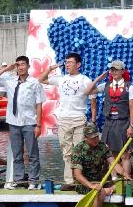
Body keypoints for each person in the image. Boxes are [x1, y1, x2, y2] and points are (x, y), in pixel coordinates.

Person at [39, 52, 93, 187]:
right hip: (63, 119)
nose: (67, 64)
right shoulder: (61, 79)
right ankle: (69, 181)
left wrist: (93, 119)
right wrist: (51, 69)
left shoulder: (85, 80)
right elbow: (41, 79)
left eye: (70, 62)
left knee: (79, 150)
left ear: (78, 64)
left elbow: (93, 101)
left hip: (79, 119)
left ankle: (80, 180)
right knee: (66, 152)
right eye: (66, 62)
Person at [0, 56, 46, 189]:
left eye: (23, 64)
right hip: (13, 122)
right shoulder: (9, 80)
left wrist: (38, 125)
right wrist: (7, 68)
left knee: (33, 154)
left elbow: (39, 105)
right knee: (17, 153)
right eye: (18, 65)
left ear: (28, 66)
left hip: (29, 122)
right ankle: (19, 179)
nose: (21, 67)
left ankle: (33, 180)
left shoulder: (34, 83)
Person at [86, 59, 133, 178]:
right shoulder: (106, 85)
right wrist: (99, 78)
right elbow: (87, 91)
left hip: (123, 122)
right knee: (111, 154)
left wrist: (131, 126)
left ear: (122, 71)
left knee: (125, 154)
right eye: (112, 69)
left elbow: (132, 107)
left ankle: (125, 181)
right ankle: (113, 180)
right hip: (109, 122)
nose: (114, 72)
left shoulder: (129, 87)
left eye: (117, 70)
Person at [71, 124, 131, 207]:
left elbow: (114, 163)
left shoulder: (102, 146)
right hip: (84, 184)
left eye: (97, 137)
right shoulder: (78, 150)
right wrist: (91, 186)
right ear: (86, 138)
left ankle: (109, 189)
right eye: (92, 138)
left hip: (100, 182)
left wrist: (125, 174)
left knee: (125, 184)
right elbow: (77, 175)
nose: (96, 140)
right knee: (100, 192)